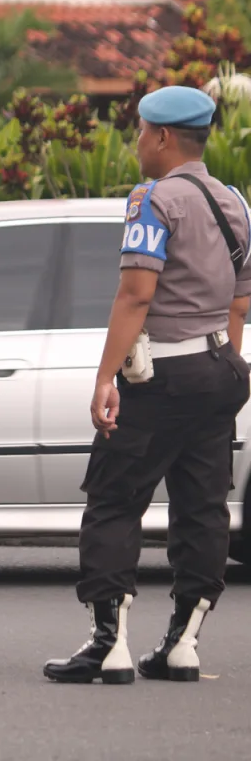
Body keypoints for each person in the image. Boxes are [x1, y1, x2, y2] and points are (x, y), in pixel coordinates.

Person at [44, 85, 251, 685]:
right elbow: (239, 303)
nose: (137, 143)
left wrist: (106, 376)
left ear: (162, 137)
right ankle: (183, 643)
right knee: (202, 506)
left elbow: (136, 293)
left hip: (160, 375)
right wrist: (222, 365)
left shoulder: (153, 200)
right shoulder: (233, 200)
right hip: (219, 369)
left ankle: (108, 644)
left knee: (114, 500)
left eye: (140, 132)